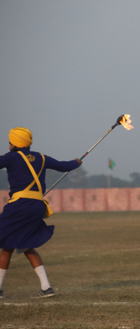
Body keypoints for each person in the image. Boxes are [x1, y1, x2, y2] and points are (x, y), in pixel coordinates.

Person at [0, 127, 81, 299]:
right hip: (37, 206)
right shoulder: (42, 158)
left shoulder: (11, 157)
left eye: (10, 142)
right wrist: (76, 162)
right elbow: (64, 166)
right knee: (25, 244)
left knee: (6, 244)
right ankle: (46, 288)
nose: (8, 145)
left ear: (16, 142)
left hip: (19, 206)